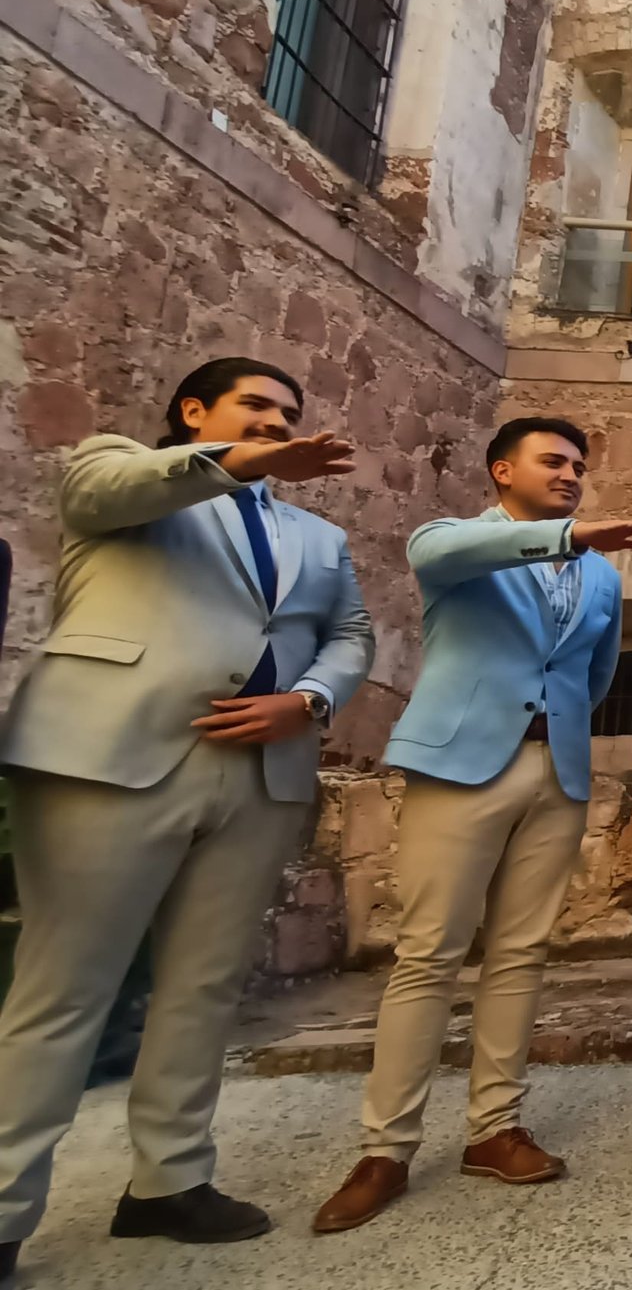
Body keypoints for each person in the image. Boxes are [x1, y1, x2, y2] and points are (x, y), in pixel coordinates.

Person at [0, 359, 371, 1271]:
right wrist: (232, 459)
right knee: (64, 989)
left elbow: (351, 634)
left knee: (204, 986)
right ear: (194, 411)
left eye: (289, 413)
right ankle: (5, 1207)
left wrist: (313, 700)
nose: (277, 423)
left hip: (257, 774)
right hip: (110, 758)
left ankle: (168, 1179)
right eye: (257, 407)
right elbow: (104, 491)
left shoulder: (316, 537)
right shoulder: (123, 470)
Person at [313, 419, 632, 1233]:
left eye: (579, 464)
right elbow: (433, 557)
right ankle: (385, 1148)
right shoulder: (458, 539)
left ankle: (496, 1128)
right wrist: (561, 535)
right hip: (463, 762)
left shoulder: (603, 577)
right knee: (428, 952)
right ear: (504, 470)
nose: (571, 473)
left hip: (556, 768)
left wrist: (565, 733)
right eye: (553, 461)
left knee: (523, 952)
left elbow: (597, 669)